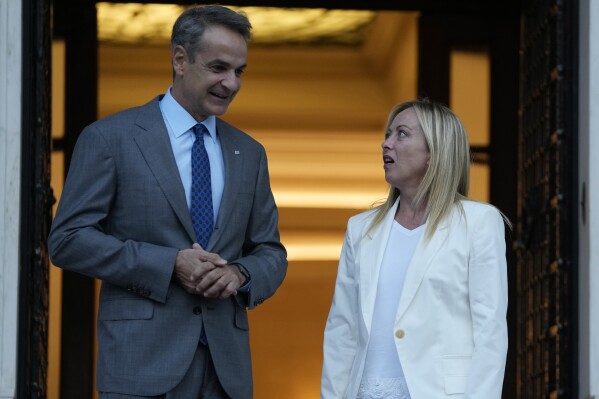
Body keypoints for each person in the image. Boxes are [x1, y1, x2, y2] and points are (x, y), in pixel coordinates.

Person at [48, 5, 287, 398]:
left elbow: (270, 252)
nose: (231, 83)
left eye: (239, 71)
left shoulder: (250, 152)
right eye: (218, 68)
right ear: (180, 59)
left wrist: (240, 275)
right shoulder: (110, 139)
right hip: (140, 368)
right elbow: (68, 240)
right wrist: (169, 264)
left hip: (226, 375)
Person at [321, 99, 509, 399]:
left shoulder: (479, 222)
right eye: (388, 134)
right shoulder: (360, 229)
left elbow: (490, 330)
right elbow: (342, 328)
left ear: (435, 152)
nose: (386, 144)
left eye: (402, 134)